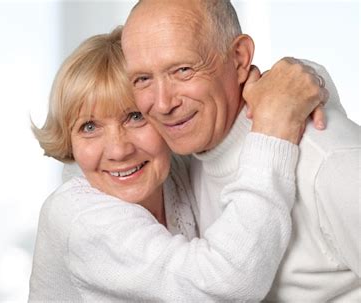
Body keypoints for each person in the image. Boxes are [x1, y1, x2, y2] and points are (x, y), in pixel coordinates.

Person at [28, 25, 326, 302]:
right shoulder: (78, 219)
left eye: (135, 117)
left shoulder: (176, 167)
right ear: (70, 140)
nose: (118, 150)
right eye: (89, 127)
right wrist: (274, 129)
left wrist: (280, 87)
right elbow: (226, 284)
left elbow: (290, 91)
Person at [121, 0, 360, 301]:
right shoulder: (182, 158)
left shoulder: (326, 161)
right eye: (143, 79)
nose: (163, 103)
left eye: (182, 70)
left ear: (239, 58)